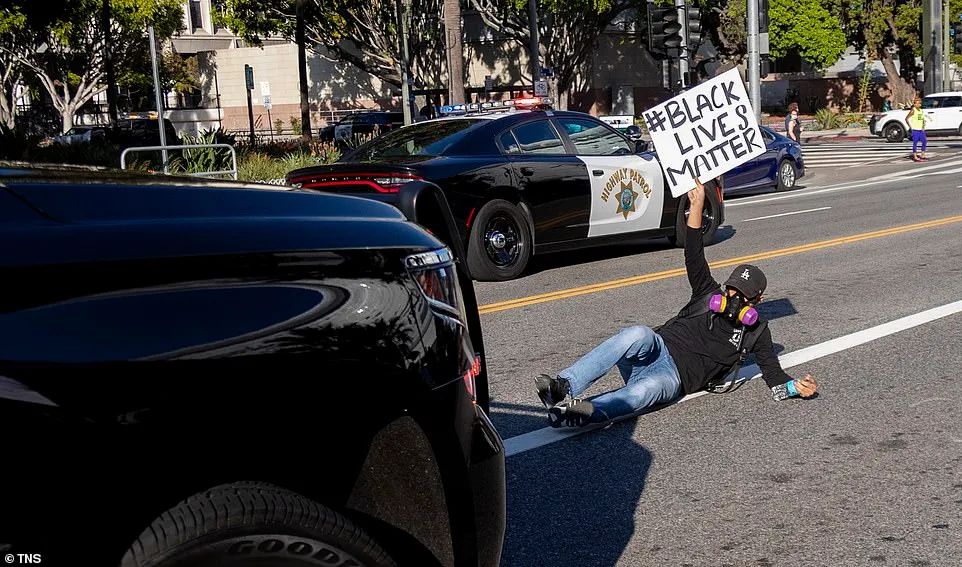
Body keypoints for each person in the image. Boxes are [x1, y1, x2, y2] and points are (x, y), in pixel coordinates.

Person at [535, 178, 818, 427]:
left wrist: (797, 387)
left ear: (757, 301)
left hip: (674, 378)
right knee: (638, 333)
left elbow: (775, 377)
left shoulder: (756, 332)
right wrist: (697, 205)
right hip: (656, 350)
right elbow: (693, 252)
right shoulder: (707, 294)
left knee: (643, 393)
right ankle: (563, 386)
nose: (734, 298)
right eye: (732, 290)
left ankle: (582, 413)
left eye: (743, 295)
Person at [906, 97, 928, 162]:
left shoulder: (921, 110)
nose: (919, 105)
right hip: (915, 129)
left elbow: (923, 119)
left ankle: (922, 154)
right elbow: (906, 118)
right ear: (914, 104)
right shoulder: (913, 110)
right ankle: (915, 156)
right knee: (915, 143)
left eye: (920, 103)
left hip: (921, 129)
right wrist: (910, 126)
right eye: (917, 103)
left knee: (924, 141)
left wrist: (923, 126)